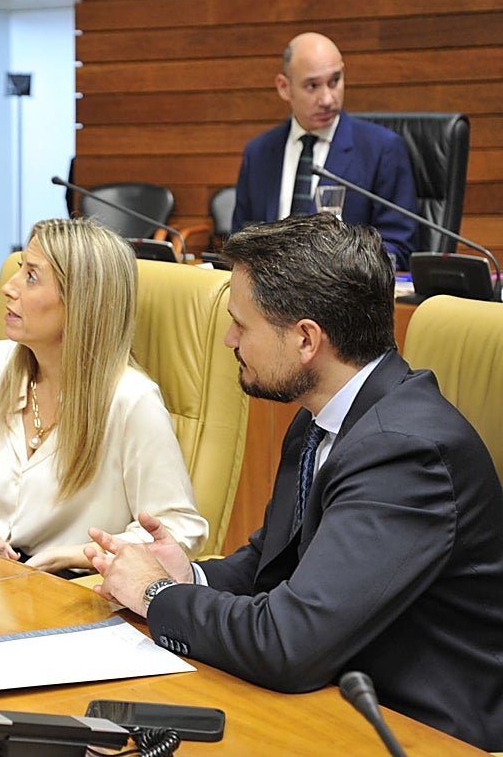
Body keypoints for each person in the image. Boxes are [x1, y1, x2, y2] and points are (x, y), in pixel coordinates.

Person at [85, 214, 503, 752]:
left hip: (419, 730)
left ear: (306, 339)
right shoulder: (322, 415)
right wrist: (189, 573)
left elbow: (287, 642)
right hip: (335, 693)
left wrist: (157, 594)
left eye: (242, 323)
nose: (229, 338)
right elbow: (274, 561)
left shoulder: (406, 452)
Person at [0, 219, 208, 575]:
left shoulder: (131, 400)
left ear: (80, 300)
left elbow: (178, 530)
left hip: (73, 592)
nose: (8, 287)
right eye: (19, 269)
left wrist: (80, 555)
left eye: (31, 277)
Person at [231, 32, 418, 266]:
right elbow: (240, 240)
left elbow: (398, 246)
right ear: (284, 87)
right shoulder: (258, 154)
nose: (328, 99)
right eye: (312, 86)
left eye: (334, 81)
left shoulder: (382, 150)